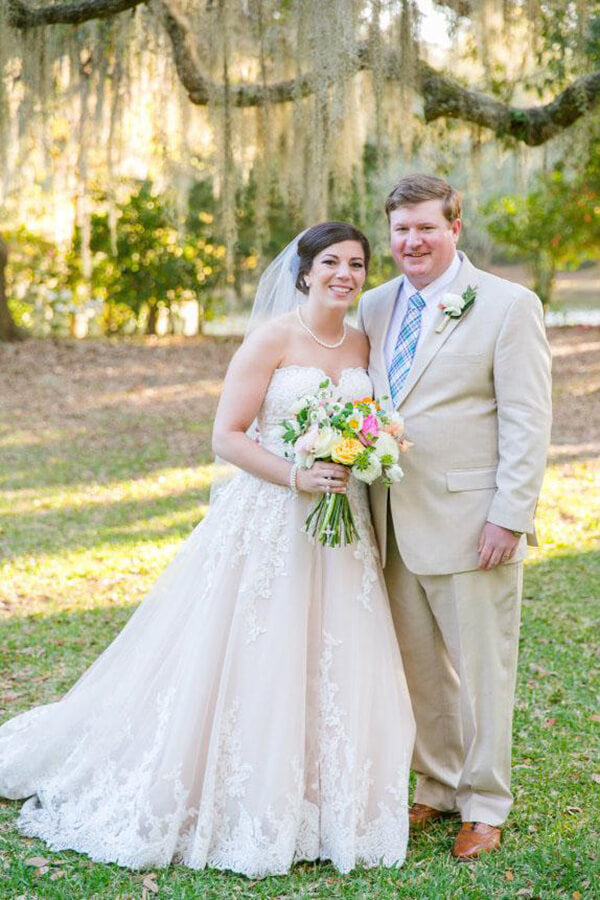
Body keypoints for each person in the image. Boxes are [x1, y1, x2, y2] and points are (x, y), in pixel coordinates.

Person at [0, 222, 415, 878]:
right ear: (303, 271)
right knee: (259, 647)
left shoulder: (364, 341)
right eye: (331, 262)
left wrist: (365, 454)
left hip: (342, 529)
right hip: (273, 519)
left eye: (358, 264)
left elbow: (373, 424)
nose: (346, 274)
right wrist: (297, 475)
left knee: (332, 652)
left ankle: (322, 799)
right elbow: (226, 436)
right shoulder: (272, 339)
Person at [357, 174, 552, 860]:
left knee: (483, 672)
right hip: (387, 522)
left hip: (474, 521)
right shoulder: (374, 306)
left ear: (454, 230)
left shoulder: (508, 305)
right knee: (418, 668)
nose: (412, 241)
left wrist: (510, 514)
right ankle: (435, 787)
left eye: (426, 228)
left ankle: (485, 804)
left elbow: (528, 420)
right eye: (401, 230)